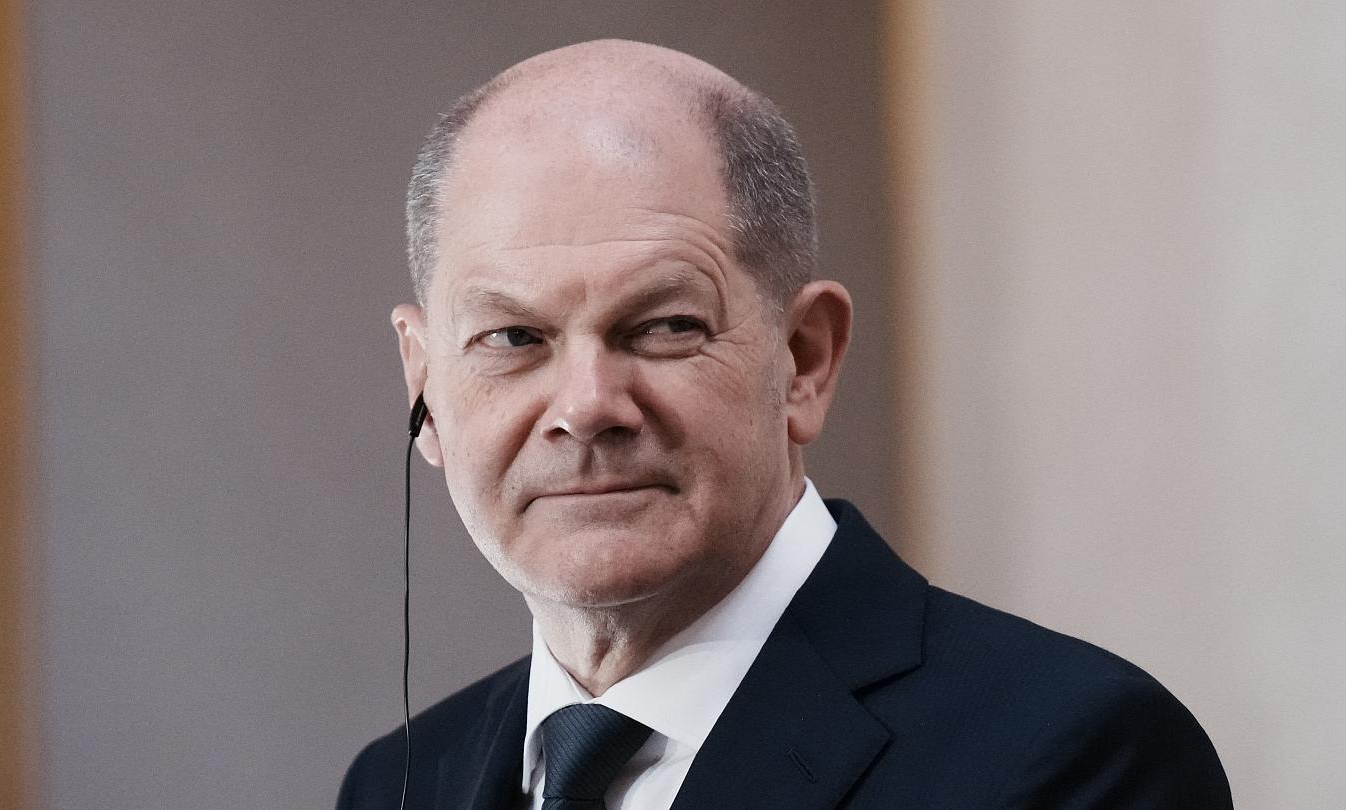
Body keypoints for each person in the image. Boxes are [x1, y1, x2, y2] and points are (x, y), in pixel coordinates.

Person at [339, 39, 1231, 809]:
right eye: (513, 337)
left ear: (804, 360)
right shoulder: (395, 784)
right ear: (425, 386)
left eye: (664, 326)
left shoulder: (1067, 753)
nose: (586, 407)